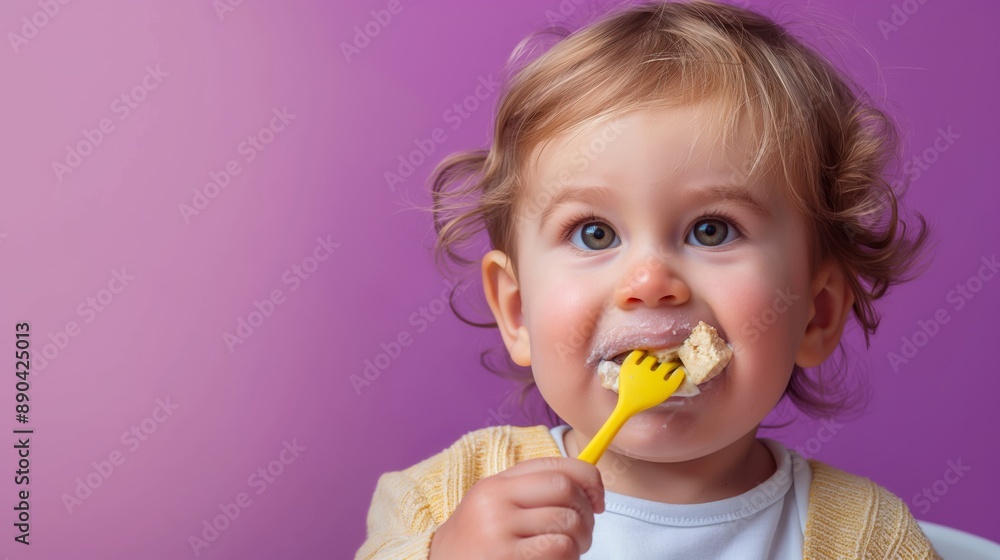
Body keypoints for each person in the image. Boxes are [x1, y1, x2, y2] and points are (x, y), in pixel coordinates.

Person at [358, 1, 938, 558]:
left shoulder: (869, 537)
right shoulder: (442, 501)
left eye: (712, 230)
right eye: (595, 234)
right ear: (517, 312)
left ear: (817, 314)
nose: (650, 280)